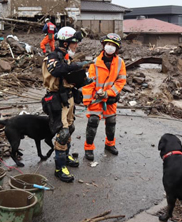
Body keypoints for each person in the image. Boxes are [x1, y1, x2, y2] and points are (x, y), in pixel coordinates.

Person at [41, 26, 92, 183]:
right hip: (57, 100)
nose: (76, 46)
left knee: (70, 128)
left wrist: (83, 80)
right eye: (73, 43)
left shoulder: (66, 58)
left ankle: (66, 155)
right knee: (62, 134)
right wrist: (79, 65)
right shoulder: (52, 57)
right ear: (65, 44)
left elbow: (67, 76)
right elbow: (57, 71)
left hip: (68, 98)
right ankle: (59, 167)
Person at [82, 33, 127, 161]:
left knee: (111, 122)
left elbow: (121, 80)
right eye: (108, 44)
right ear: (104, 45)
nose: (110, 47)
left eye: (113, 45)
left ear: (117, 49)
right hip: (96, 98)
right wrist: (88, 100)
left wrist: (110, 93)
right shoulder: (95, 62)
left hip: (110, 99)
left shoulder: (119, 63)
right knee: (93, 122)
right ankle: (89, 148)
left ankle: (110, 144)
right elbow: (89, 81)